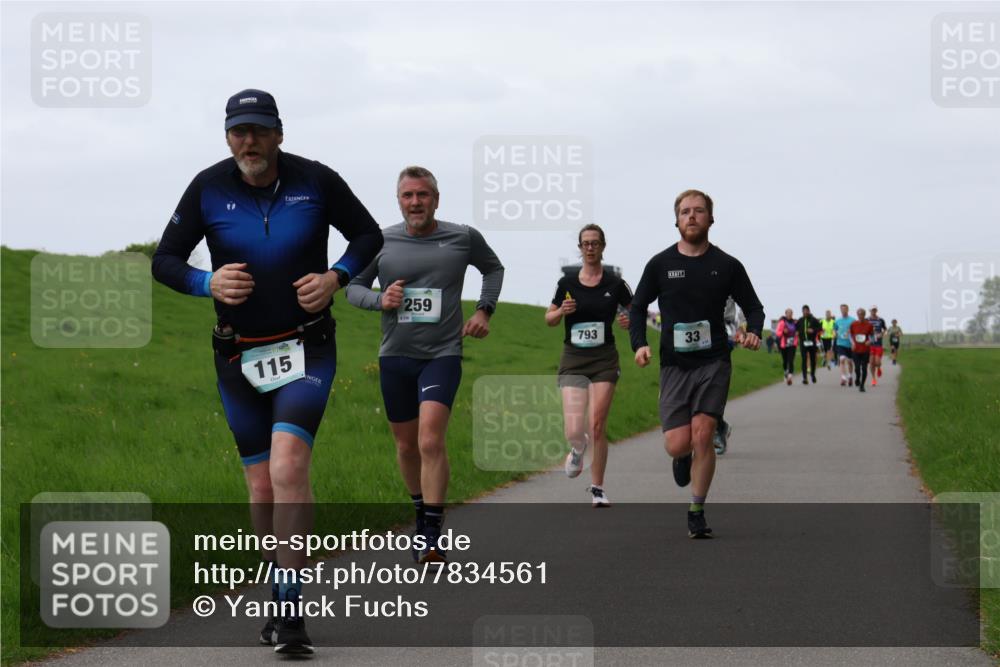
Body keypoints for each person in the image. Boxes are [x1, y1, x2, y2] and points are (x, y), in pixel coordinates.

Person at [152, 89, 383, 654]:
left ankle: (290, 611)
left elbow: (370, 237)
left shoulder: (317, 180)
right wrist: (206, 282)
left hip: (307, 349)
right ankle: (277, 580)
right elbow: (164, 260)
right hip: (236, 355)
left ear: (279, 132)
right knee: (260, 485)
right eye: (238, 132)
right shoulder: (207, 187)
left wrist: (337, 276)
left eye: (258, 130)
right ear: (227, 137)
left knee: (288, 465)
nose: (249, 142)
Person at [346, 166, 503, 563]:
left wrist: (484, 311)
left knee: (430, 439)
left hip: (442, 353)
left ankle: (432, 531)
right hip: (395, 356)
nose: (415, 202)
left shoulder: (463, 237)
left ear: (436, 198)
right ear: (398, 200)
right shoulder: (380, 241)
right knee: (405, 444)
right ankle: (419, 509)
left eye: (423, 195)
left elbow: (493, 268)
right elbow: (352, 288)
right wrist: (381, 300)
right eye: (407, 196)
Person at [629, 189, 763, 539]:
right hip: (674, 365)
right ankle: (682, 457)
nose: (691, 216)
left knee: (703, 434)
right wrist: (640, 344)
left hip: (714, 361)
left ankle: (696, 510)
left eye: (699, 211)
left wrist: (755, 332)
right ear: (676, 220)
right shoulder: (660, 264)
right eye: (685, 211)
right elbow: (638, 306)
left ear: (711, 219)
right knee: (677, 443)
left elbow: (754, 307)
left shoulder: (727, 265)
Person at [546, 225, 632, 506]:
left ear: (603, 246)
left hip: (604, 358)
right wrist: (561, 311)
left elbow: (634, 312)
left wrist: (627, 320)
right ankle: (578, 447)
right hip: (573, 357)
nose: (591, 248)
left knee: (597, 424)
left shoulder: (615, 283)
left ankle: (597, 488)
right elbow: (549, 318)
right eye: (586, 243)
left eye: (595, 243)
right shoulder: (567, 284)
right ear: (580, 248)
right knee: (574, 428)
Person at [849, 307, 875, 392]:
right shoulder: (853, 324)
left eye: (862, 314)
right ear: (857, 315)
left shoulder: (869, 325)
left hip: (865, 350)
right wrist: (852, 343)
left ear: (864, 315)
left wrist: (869, 341)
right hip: (855, 350)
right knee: (857, 368)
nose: (860, 316)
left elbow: (872, 337)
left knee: (864, 368)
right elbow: (849, 335)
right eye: (859, 314)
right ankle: (857, 378)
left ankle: (862, 385)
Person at [796, 305, 822, 384]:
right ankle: (804, 378)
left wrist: (813, 330)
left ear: (809, 311)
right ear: (802, 312)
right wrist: (797, 333)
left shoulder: (814, 320)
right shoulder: (800, 320)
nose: (805, 312)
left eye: (807, 311)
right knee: (804, 359)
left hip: (812, 342)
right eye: (804, 311)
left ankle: (813, 374)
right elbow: (796, 328)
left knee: (813, 359)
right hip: (803, 342)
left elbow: (820, 328)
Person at [834, 304, 856, 387]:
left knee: (850, 362)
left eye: (845, 309)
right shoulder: (837, 321)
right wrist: (835, 334)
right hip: (840, 343)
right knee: (842, 359)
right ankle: (843, 378)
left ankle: (850, 376)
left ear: (848, 310)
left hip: (850, 344)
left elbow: (856, 331)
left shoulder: (853, 320)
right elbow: (834, 329)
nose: (843, 311)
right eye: (842, 309)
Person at [774, 309, 798, 385]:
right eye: (788, 313)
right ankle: (785, 372)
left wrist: (797, 333)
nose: (790, 314)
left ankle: (790, 376)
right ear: (785, 314)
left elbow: (798, 331)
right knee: (785, 361)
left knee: (791, 360)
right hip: (784, 344)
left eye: (791, 313)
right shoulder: (782, 322)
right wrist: (783, 332)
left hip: (792, 344)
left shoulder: (795, 323)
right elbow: (777, 333)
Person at [867, 306, 888, 386]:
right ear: (870, 311)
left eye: (875, 310)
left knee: (877, 362)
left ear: (876, 311)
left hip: (878, 344)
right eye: (872, 310)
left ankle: (879, 368)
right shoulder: (867, 320)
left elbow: (885, 329)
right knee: (871, 362)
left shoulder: (880, 320)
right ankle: (873, 379)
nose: (873, 311)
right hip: (870, 344)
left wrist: (881, 334)